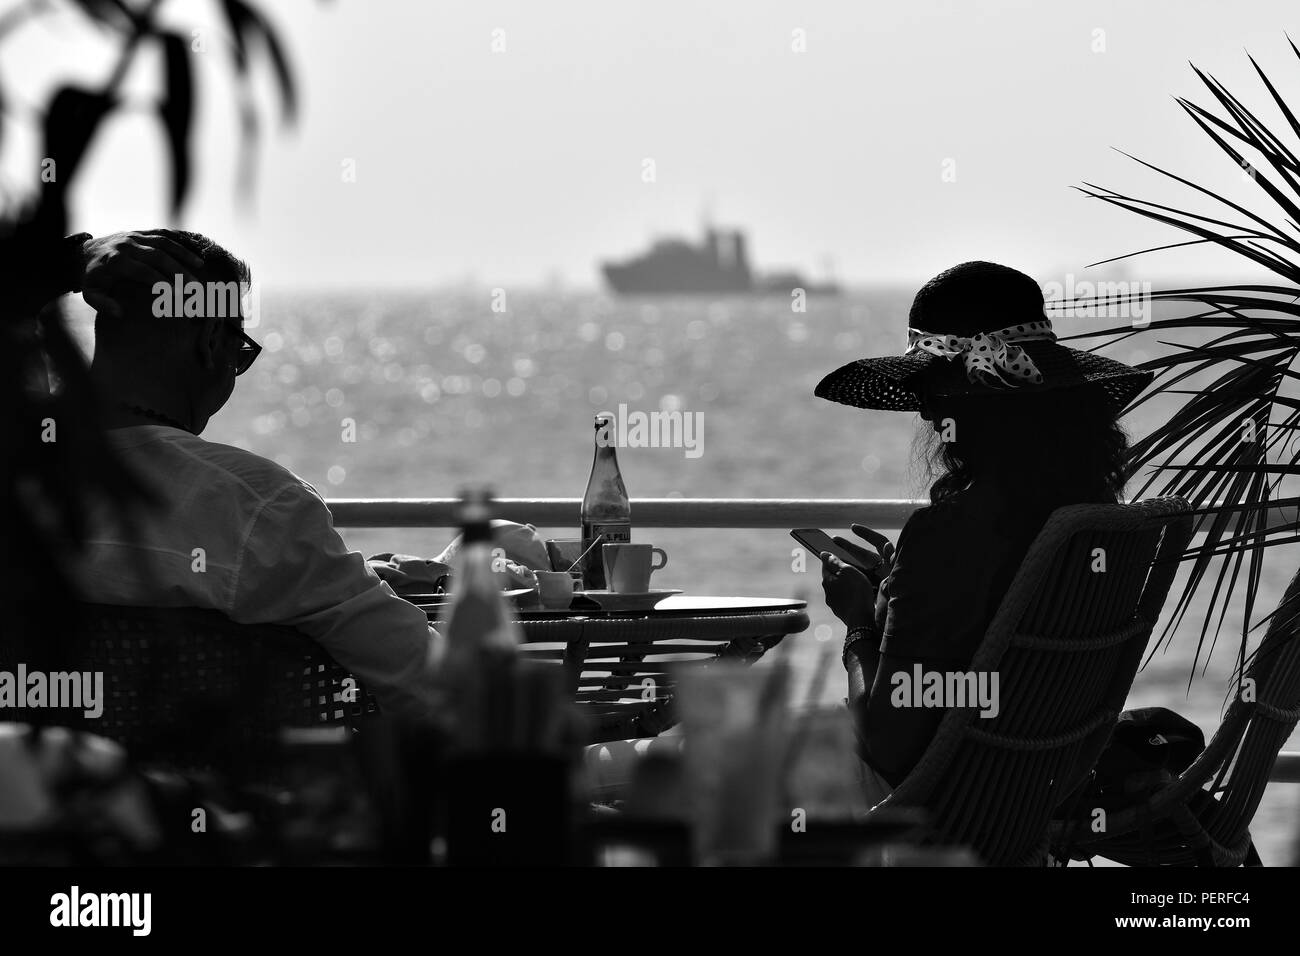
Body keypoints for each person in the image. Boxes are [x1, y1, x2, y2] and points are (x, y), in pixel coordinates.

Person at [40, 229, 442, 722]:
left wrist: (69, 260)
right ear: (211, 343)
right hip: (217, 793)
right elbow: (437, 685)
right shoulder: (258, 508)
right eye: (240, 353)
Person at [812, 261, 1153, 804]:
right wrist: (898, 595)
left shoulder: (947, 534)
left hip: (933, 805)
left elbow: (887, 743)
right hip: (1031, 797)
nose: (924, 413)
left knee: (694, 759)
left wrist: (859, 627)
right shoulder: (1100, 526)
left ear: (961, 406)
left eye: (932, 393)